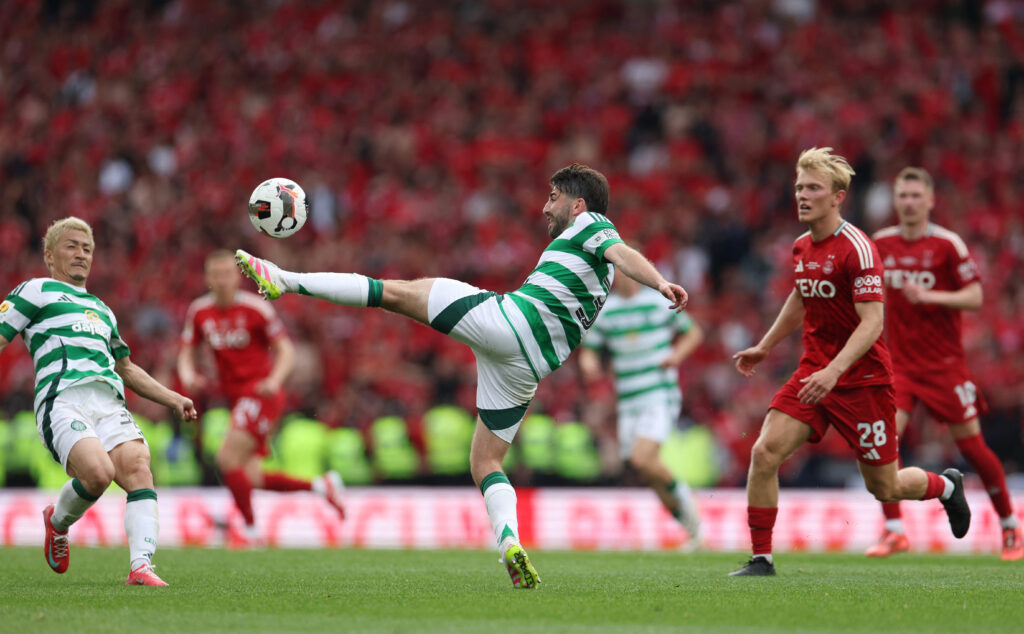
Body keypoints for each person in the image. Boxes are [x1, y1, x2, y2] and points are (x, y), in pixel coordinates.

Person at [235, 163, 688, 588]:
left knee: (394, 292)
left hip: (511, 322)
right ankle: (509, 543)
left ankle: (283, 278)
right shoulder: (594, 265)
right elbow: (615, 259)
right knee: (485, 463)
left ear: (579, 204)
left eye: (553, 198)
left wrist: (660, 283)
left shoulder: (592, 225)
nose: (545, 207)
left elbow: (622, 252)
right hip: (528, 367)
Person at [729, 148, 971, 577]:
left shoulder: (858, 248)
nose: (802, 195)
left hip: (863, 381)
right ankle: (762, 559)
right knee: (764, 452)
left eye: (813, 188)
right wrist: (765, 346)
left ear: (837, 197)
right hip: (813, 373)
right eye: (799, 187)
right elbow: (801, 295)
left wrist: (834, 371)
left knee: (886, 486)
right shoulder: (802, 247)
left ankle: (947, 485)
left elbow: (873, 322)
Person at [0, 217, 198, 586]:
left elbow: (126, 368)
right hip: (62, 398)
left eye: (87, 249)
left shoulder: (102, 310)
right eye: (72, 246)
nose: (81, 254)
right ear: (49, 255)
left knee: (138, 467)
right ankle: (57, 522)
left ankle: (141, 566)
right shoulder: (35, 291)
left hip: (109, 402)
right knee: (98, 474)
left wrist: (173, 399)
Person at [867, 168, 1021, 561]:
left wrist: (931, 297)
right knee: (884, 444)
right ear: (895, 200)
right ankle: (894, 530)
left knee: (973, 448)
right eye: (903, 195)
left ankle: (1010, 526)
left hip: (944, 366)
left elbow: (975, 296)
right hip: (899, 366)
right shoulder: (880, 244)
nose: (909, 202)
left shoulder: (947, 244)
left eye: (916, 196)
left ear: (930, 200)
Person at [178, 250, 345, 546]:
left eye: (227, 274)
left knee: (226, 458)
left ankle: (250, 531)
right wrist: (189, 375)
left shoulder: (256, 309)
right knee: (251, 477)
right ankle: (322, 486)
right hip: (235, 399)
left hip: (260, 394)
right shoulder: (199, 311)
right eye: (216, 274)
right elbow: (186, 352)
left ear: (237, 277)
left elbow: (286, 350)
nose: (222, 280)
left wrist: (274, 380)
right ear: (207, 278)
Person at [578, 272, 704, 545]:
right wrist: (589, 364)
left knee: (642, 458)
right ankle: (690, 527)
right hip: (628, 400)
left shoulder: (657, 303)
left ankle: (693, 513)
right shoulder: (607, 311)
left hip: (658, 392)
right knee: (646, 471)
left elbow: (693, 333)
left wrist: (676, 356)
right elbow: (590, 349)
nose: (624, 278)